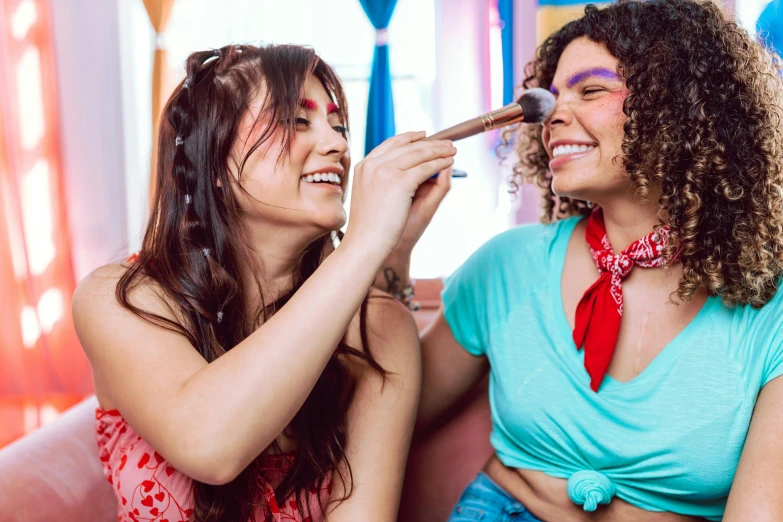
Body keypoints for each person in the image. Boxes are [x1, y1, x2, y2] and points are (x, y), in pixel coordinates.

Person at [377, 1, 783, 520]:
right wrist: (392, 247)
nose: (552, 117)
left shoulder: (768, 304)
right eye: (551, 97)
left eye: (590, 90)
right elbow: (388, 411)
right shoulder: (505, 267)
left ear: (680, 108)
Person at [72, 43, 456, 522]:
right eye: (297, 121)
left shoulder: (380, 330)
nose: (338, 145)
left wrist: (384, 249)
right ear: (211, 158)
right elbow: (209, 444)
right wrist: (365, 242)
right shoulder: (121, 298)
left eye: (338, 126)